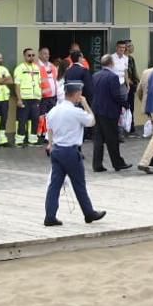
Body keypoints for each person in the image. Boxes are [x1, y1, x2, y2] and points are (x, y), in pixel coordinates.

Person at [43, 80, 106, 227]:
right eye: (80, 94)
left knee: (54, 185)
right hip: (70, 151)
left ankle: (50, 216)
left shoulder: (54, 110)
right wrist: (85, 104)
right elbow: (92, 121)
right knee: (79, 184)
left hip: (57, 150)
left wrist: (51, 144)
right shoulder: (76, 111)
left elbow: (50, 129)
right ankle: (89, 213)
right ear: (76, 94)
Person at [89, 54, 130, 172]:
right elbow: (116, 95)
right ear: (111, 63)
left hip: (97, 110)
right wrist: (125, 104)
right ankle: (117, 163)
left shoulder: (95, 75)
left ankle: (97, 165)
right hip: (109, 111)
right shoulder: (113, 77)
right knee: (112, 138)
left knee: (98, 139)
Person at [13, 46, 42, 146]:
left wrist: (39, 97)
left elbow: (39, 83)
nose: (31, 57)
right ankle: (19, 140)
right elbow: (17, 85)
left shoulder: (36, 68)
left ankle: (32, 140)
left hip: (35, 98)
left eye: (33, 55)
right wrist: (19, 99)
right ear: (24, 56)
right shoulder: (19, 68)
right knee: (22, 120)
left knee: (35, 119)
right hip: (24, 98)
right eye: (29, 55)